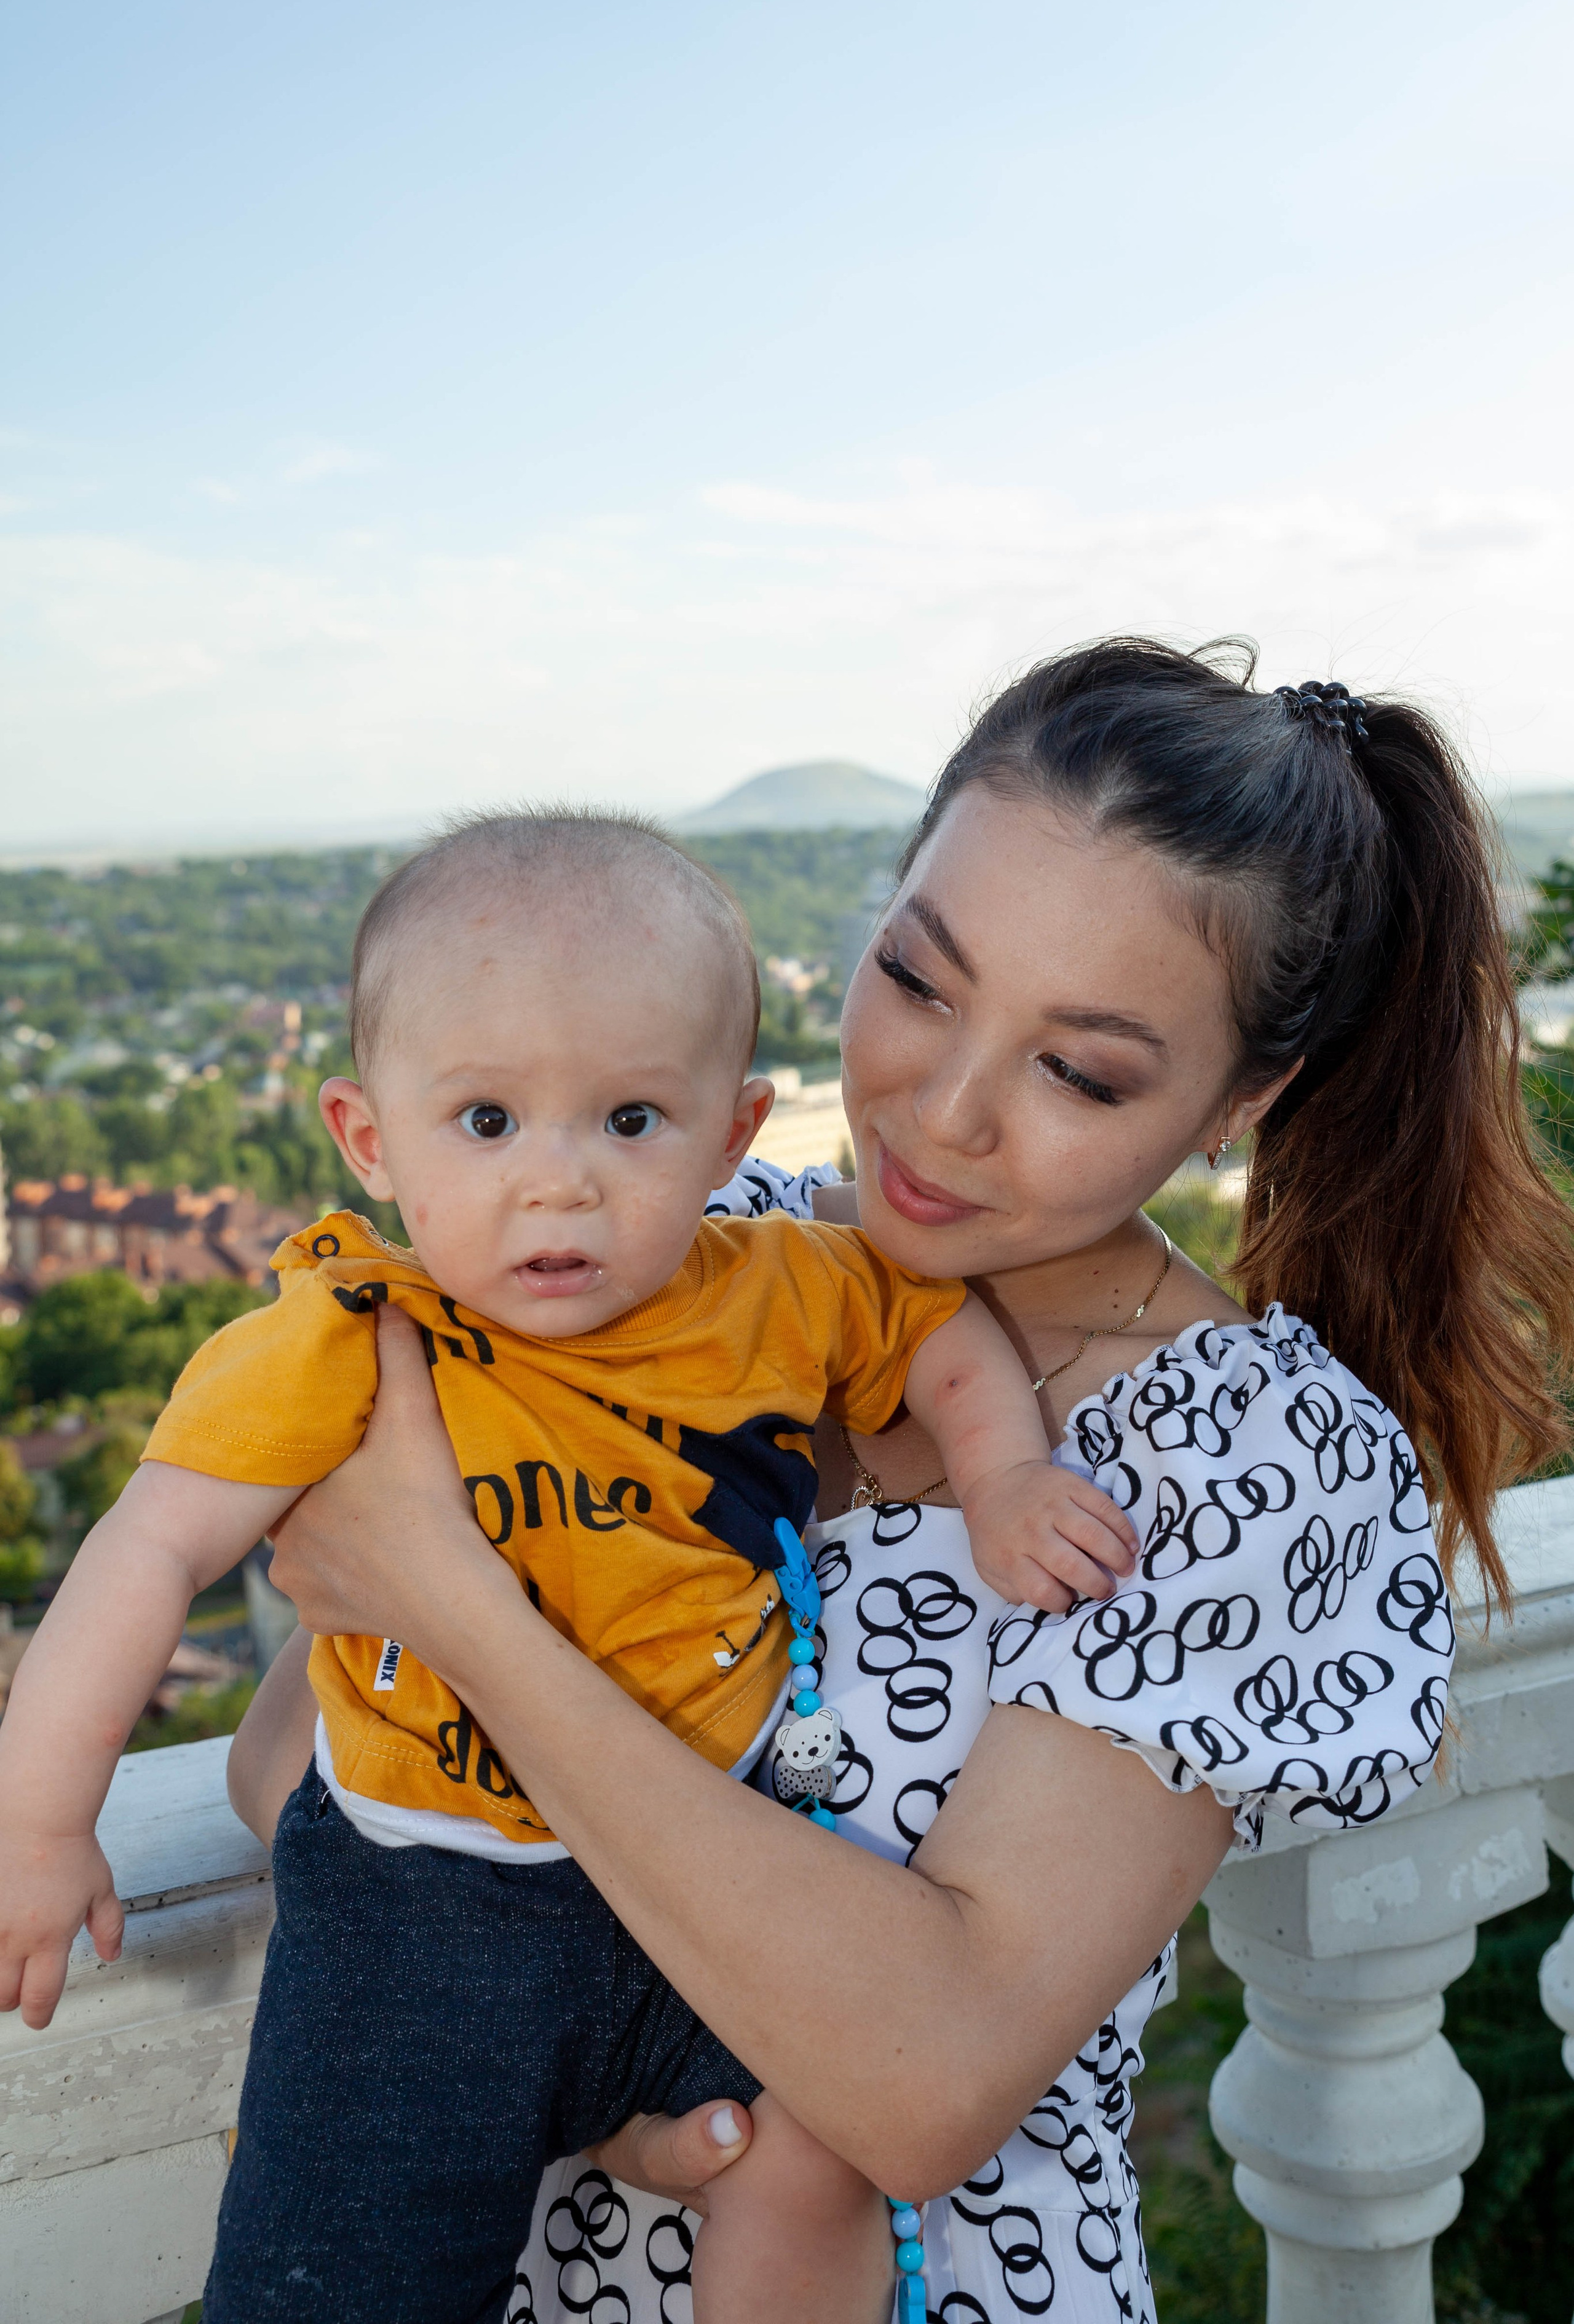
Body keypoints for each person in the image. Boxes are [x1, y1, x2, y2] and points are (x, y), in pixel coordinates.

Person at [232, 639, 1574, 2323]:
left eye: (1080, 1073)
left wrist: (468, 1617)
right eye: (921, 982)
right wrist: (609, 2097)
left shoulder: (1244, 1460)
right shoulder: (694, 1267)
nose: (940, 1116)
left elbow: (926, 2083)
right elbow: (301, 1762)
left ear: (1244, 1098)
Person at [0, 809, 1135, 2324]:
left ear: (732, 1135)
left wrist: (1001, 1477)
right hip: (418, 1923)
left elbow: (931, 1342)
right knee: (335, 2279)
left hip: (703, 1903)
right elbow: (147, 1552)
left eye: (627, 1122)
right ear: (368, 1137)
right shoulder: (349, 1336)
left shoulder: (778, 1285)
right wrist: (36, 1823)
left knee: (808, 2156)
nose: (562, 1185)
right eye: (486, 1123)